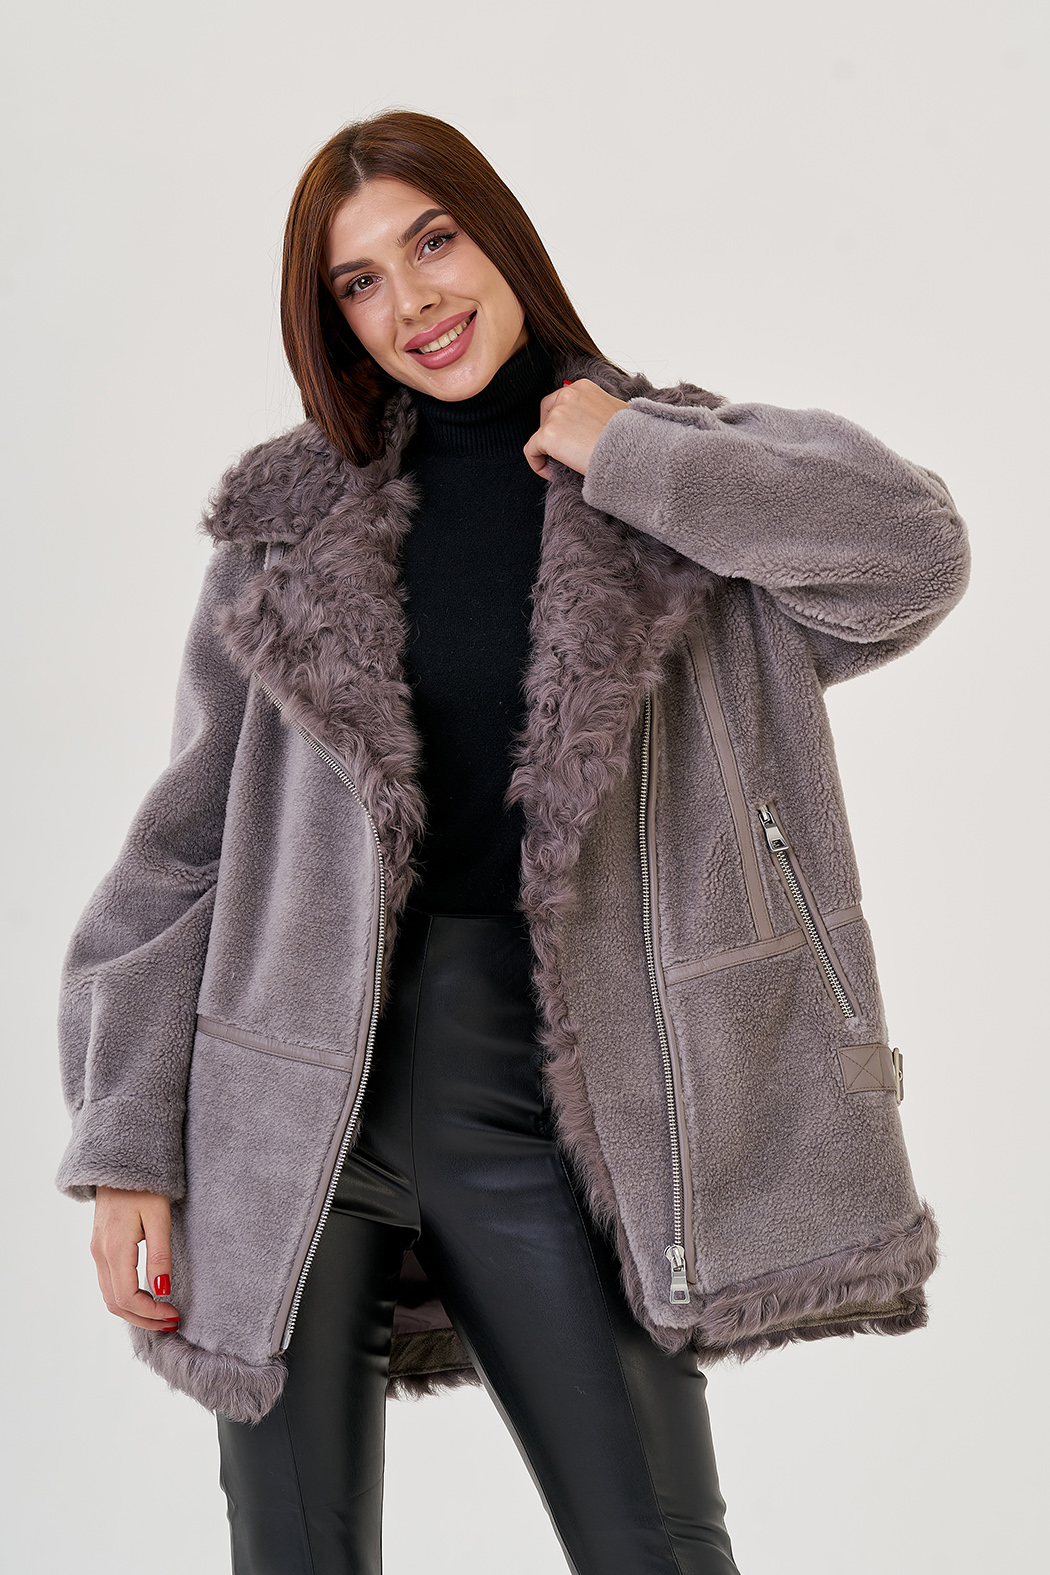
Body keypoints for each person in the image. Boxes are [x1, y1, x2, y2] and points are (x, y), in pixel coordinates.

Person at [56, 110, 970, 1575]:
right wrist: (122, 1147)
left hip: (542, 1094)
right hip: (283, 1103)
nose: (412, 301)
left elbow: (912, 556)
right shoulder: (291, 527)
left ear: (500, 238)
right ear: (333, 321)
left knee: (654, 1543)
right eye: (360, 282)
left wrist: (635, 455)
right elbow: (182, 852)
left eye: (433, 241)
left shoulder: (670, 480)